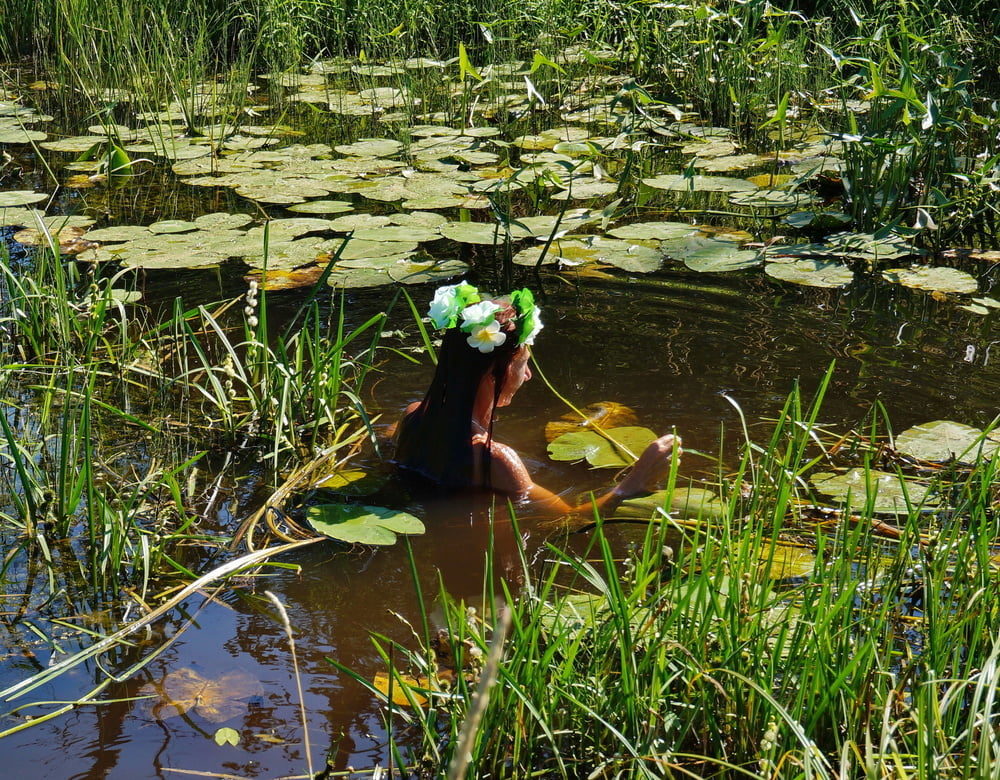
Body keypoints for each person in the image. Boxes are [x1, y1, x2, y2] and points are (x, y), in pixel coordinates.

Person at [394, 281, 680, 516]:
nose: (528, 375)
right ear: (494, 374)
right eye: (523, 364)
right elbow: (571, 518)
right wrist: (634, 482)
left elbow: (390, 437)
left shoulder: (412, 416)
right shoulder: (493, 458)